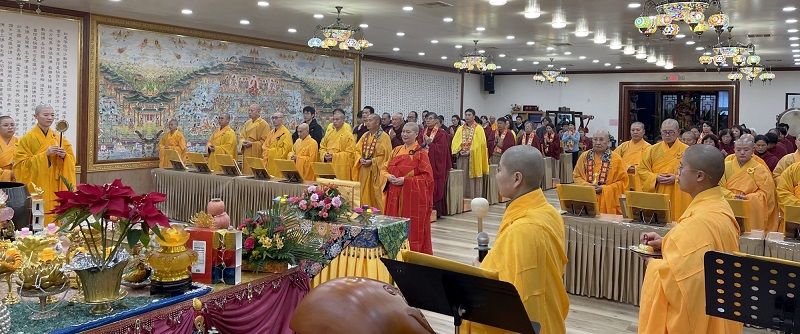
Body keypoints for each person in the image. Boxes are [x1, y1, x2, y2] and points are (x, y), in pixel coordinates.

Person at [461, 145, 569, 334]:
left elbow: (513, 295)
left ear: (517, 178)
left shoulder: (524, 229)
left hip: (532, 322)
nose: (496, 175)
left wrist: (481, 273)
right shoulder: (550, 212)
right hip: (549, 315)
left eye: (500, 169)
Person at [638, 144, 743, 334]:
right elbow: (701, 254)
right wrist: (666, 242)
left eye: (681, 167)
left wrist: (651, 263)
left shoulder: (700, 220)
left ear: (700, 176)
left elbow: (682, 280)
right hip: (718, 305)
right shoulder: (719, 206)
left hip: (699, 314)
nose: (677, 173)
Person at [14, 105, 77, 224]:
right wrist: (45, 155)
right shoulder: (27, 139)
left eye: (52, 115)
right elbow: (20, 164)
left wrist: (64, 157)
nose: (50, 118)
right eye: (46, 115)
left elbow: (71, 160)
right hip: (38, 184)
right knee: (39, 215)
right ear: (36, 116)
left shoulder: (58, 137)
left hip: (55, 183)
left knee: (55, 214)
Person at [384, 123, 434, 254]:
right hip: (394, 194)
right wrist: (388, 176)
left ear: (416, 134)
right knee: (392, 224)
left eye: (408, 132)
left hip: (411, 198)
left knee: (412, 229)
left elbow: (427, 178)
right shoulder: (396, 150)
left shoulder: (421, 154)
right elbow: (384, 168)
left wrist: (405, 180)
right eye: (403, 132)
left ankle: (412, 253)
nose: (404, 134)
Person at [720, 135, 778, 233]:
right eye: (738, 150)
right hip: (728, 206)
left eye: (746, 150)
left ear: (753, 150)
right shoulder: (726, 166)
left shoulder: (760, 169)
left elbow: (768, 194)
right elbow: (717, 187)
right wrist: (732, 196)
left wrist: (749, 198)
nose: (742, 153)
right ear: (734, 149)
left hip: (750, 209)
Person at [637, 119, 692, 219]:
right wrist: (655, 177)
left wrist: (676, 178)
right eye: (664, 132)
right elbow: (641, 170)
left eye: (671, 132)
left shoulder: (687, 150)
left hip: (679, 193)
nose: (667, 135)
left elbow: (693, 173)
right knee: (659, 220)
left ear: (678, 132)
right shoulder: (651, 150)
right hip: (658, 190)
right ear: (660, 131)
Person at [572, 131, 628, 214]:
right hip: (588, 197)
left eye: (601, 140)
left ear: (608, 142)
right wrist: (587, 185)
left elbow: (623, 182)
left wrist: (604, 188)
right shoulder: (584, 156)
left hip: (608, 200)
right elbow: (577, 176)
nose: (598, 142)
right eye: (595, 139)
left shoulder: (616, 159)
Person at [353, 114, 392, 211]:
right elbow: (357, 150)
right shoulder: (365, 135)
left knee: (376, 194)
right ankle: (364, 213)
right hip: (364, 170)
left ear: (377, 122)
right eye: (367, 120)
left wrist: (372, 161)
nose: (367, 122)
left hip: (376, 172)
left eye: (370, 120)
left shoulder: (384, 137)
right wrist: (360, 158)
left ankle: (379, 215)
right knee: (364, 193)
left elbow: (386, 156)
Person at [451, 109, 489, 199]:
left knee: (472, 177)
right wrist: (459, 150)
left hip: (474, 157)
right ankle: (462, 197)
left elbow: (481, 144)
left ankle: (474, 197)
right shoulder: (460, 128)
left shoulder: (479, 129)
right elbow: (455, 142)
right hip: (462, 157)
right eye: (466, 115)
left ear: (474, 116)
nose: (467, 117)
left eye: (469, 115)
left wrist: (471, 151)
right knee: (463, 177)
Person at [419, 112, 451, 217]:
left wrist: (430, 144)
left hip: (436, 164)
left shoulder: (441, 133)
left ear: (436, 120)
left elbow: (442, 150)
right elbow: (419, 145)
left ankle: (436, 211)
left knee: (436, 186)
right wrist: (424, 144)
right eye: (426, 118)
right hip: (424, 162)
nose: (428, 120)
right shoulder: (423, 132)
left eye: (430, 118)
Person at [320, 109, 356, 180]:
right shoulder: (329, 134)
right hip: (328, 167)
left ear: (343, 121)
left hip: (341, 168)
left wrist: (334, 156)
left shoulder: (348, 135)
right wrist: (324, 155)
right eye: (333, 119)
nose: (334, 121)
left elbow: (350, 154)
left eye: (337, 119)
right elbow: (322, 147)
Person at [614, 122, 651, 191]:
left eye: (638, 130)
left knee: (637, 199)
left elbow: (650, 164)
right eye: (633, 130)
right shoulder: (623, 146)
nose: (635, 132)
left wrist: (636, 168)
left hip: (640, 179)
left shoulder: (649, 147)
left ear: (643, 132)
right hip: (624, 177)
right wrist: (627, 167)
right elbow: (614, 159)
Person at [239, 104, 270, 174]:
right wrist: (243, 142)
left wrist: (252, 144)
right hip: (246, 152)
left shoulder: (264, 124)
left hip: (256, 154)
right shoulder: (247, 123)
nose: (249, 112)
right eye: (249, 110)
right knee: (246, 174)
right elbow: (242, 136)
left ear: (258, 112)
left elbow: (265, 143)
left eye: (252, 110)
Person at [262, 112, 293, 177]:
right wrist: (267, 152)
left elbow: (286, 150)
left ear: (282, 119)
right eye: (273, 118)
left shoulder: (286, 133)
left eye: (276, 118)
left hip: (278, 163)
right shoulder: (271, 132)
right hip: (269, 161)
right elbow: (265, 146)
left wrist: (271, 151)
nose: (274, 120)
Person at [0, 116, 17, 181]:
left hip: (17, 180)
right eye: (5, 125)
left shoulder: (20, 142)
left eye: (12, 125)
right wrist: (10, 174)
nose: (10, 127)